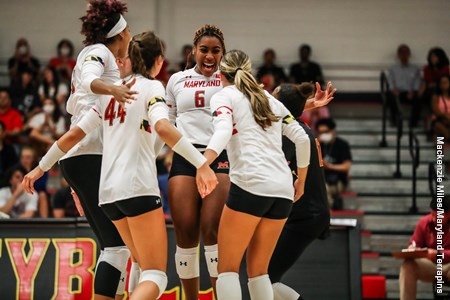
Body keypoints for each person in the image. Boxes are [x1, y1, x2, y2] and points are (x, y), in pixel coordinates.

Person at [23, 30, 218, 299]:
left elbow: (73, 136)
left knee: (134, 261)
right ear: (159, 61)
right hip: (138, 187)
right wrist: (201, 163)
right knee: (156, 275)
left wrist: (40, 168)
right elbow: (163, 127)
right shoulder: (153, 87)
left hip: (108, 194)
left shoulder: (109, 93)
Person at [24, 1, 134, 298]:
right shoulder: (98, 53)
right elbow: (88, 82)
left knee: (115, 247)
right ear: (121, 34)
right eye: (129, 33)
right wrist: (114, 89)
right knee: (117, 247)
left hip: (84, 155)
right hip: (88, 154)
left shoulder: (107, 60)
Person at [202, 49, 310, 300]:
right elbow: (302, 138)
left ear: (221, 74)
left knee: (227, 269)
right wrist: (301, 180)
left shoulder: (224, 96)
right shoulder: (270, 100)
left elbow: (223, 131)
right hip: (282, 190)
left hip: (250, 185)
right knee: (259, 273)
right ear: (249, 71)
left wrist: (202, 163)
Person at [165, 24, 229, 299]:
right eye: (204, 50)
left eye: (216, 51)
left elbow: (262, 105)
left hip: (219, 156)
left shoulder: (231, 80)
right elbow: (166, 122)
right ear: (194, 51)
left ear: (223, 53)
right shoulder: (176, 80)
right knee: (185, 231)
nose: (209, 56)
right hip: (185, 157)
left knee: (212, 229)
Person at [269, 83, 334, 300]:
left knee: (265, 277)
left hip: (306, 214)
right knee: (263, 277)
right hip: (309, 211)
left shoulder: (289, 134)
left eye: (273, 96)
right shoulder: (296, 127)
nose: (268, 98)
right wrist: (311, 104)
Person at [399, 196, 450, 300]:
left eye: (439, 216)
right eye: (433, 215)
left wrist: (438, 254)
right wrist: (412, 249)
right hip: (431, 264)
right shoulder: (424, 222)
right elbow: (414, 243)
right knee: (408, 265)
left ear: (449, 214)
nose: (435, 219)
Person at [316, 118, 352, 210]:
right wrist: (316, 144)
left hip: (337, 180)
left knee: (324, 189)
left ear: (333, 130)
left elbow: (346, 166)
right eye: (320, 132)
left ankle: (327, 212)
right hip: (321, 178)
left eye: (326, 131)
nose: (323, 135)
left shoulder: (342, 145)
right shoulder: (318, 145)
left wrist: (330, 167)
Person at [387, 44, 421, 127]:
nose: (404, 55)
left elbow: (417, 82)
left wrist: (413, 91)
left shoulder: (415, 68)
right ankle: (395, 121)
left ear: (409, 54)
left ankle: (413, 124)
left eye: (406, 53)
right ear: (398, 55)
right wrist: (394, 90)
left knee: (419, 99)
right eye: (402, 53)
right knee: (391, 97)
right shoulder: (393, 68)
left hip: (410, 92)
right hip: (397, 92)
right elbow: (390, 82)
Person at [431, 75, 450, 142]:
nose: (444, 84)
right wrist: (445, 116)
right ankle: (440, 150)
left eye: (446, 82)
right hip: (440, 120)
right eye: (442, 83)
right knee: (439, 127)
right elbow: (436, 111)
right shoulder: (436, 97)